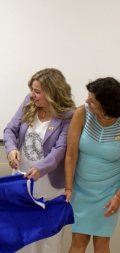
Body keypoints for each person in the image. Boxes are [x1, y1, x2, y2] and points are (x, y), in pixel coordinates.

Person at [3, 68, 76, 253]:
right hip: (23, 186)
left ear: (52, 93)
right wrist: (11, 150)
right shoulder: (29, 103)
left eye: (37, 92)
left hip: (51, 189)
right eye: (32, 90)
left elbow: (60, 150)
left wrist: (40, 169)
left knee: (50, 242)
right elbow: (10, 129)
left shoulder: (68, 115)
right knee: (24, 240)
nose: (32, 95)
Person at [64, 77, 120, 253]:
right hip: (80, 190)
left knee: (101, 244)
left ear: (107, 104)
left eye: (93, 100)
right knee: (78, 241)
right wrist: (68, 188)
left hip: (109, 193)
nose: (87, 101)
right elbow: (71, 154)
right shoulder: (82, 112)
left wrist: (118, 197)